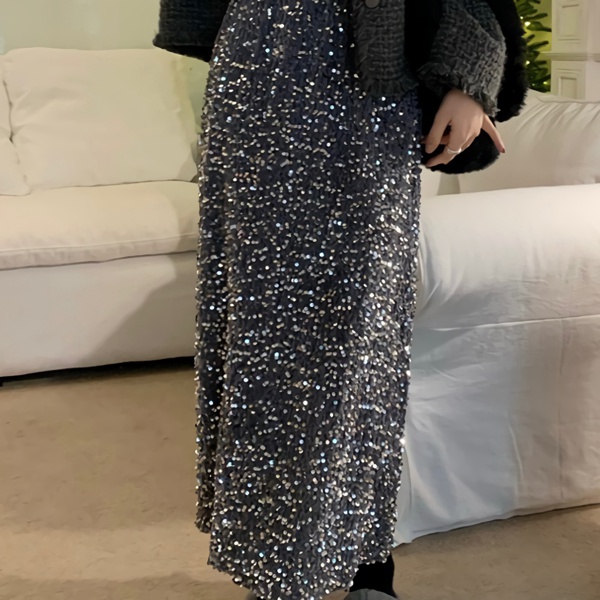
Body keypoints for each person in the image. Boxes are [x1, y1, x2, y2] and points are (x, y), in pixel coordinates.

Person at [154, 1, 508, 598]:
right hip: (257, 63)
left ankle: (367, 562)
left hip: (375, 70)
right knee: (261, 329)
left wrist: (469, 72)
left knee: (366, 325)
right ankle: (272, 565)